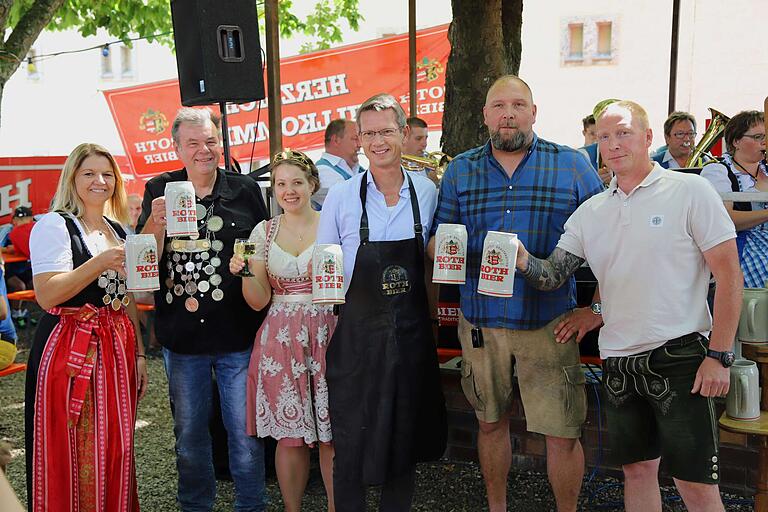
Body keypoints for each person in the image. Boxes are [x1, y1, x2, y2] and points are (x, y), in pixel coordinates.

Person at [515, 100, 742, 512]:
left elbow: (729, 277)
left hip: (681, 357)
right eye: (604, 137)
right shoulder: (591, 213)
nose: (613, 144)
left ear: (648, 137)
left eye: (623, 133)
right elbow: (551, 275)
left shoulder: (689, 191)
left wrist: (720, 356)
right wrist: (516, 256)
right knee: (637, 473)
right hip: (618, 362)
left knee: (695, 484)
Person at [428, 75, 604, 512]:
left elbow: (608, 241)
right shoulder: (461, 169)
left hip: (548, 323)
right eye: (499, 106)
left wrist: (596, 308)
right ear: (486, 115)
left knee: (562, 432)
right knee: (490, 424)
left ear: (534, 112)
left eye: (518, 104)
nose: (509, 113)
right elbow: (436, 241)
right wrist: (448, 248)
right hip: (481, 321)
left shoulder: (572, 165)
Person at [318, 93, 447, 511]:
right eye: (369, 133)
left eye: (387, 131)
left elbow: (431, 258)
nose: (378, 141)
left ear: (404, 134)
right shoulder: (341, 196)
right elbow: (325, 267)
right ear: (358, 137)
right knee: (351, 439)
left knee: (403, 437)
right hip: (356, 335)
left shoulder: (425, 192)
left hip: (409, 336)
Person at [138, 107, 269, 511]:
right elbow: (142, 259)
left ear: (219, 142)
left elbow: (264, 246)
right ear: (177, 147)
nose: (203, 150)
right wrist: (155, 225)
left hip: (237, 333)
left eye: (209, 140)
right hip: (183, 337)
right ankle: (196, 506)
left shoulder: (245, 189)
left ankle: (251, 505)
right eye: (192, 143)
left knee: (244, 435)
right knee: (190, 436)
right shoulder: (159, 188)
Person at [24, 143, 149, 512]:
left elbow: (124, 298)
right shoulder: (54, 225)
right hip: (69, 345)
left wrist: (140, 353)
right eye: (89, 174)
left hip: (115, 344)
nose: (100, 181)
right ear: (73, 178)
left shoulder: (117, 228)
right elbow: (47, 296)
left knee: (116, 442)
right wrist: (99, 263)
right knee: (73, 442)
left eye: (107, 174)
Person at [230, 149, 336, 512]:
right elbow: (258, 300)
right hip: (279, 338)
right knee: (290, 437)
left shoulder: (333, 222)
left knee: (332, 435)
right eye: (280, 184)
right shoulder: (263, 231)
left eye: (296, 182)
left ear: (312, 185)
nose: (288, 191)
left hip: (328, 332)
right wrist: (244, 271)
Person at [701, 110, 768, 288]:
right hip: (741, 247)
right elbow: (726, 221)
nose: (764, 141)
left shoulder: (766, 171)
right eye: (758, 136)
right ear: (736, 141)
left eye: (766, 136)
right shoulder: (718, 171)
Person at [312, 119, 363, 209]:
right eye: (355, 139)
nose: (360, 145)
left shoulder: (357, 169)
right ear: (336, 140)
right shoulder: (321, 171)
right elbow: (351, 202)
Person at [6, 206, 35, 327]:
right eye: (17, 219)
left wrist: (15, 249)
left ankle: (25, 311)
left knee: (34, 284)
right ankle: (16, 313)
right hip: (11, 270)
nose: (19, 222)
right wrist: (10, 249)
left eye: (24, 219)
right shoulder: (8, 233)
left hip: (28, 268)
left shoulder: (37, 229)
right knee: (19, 286)